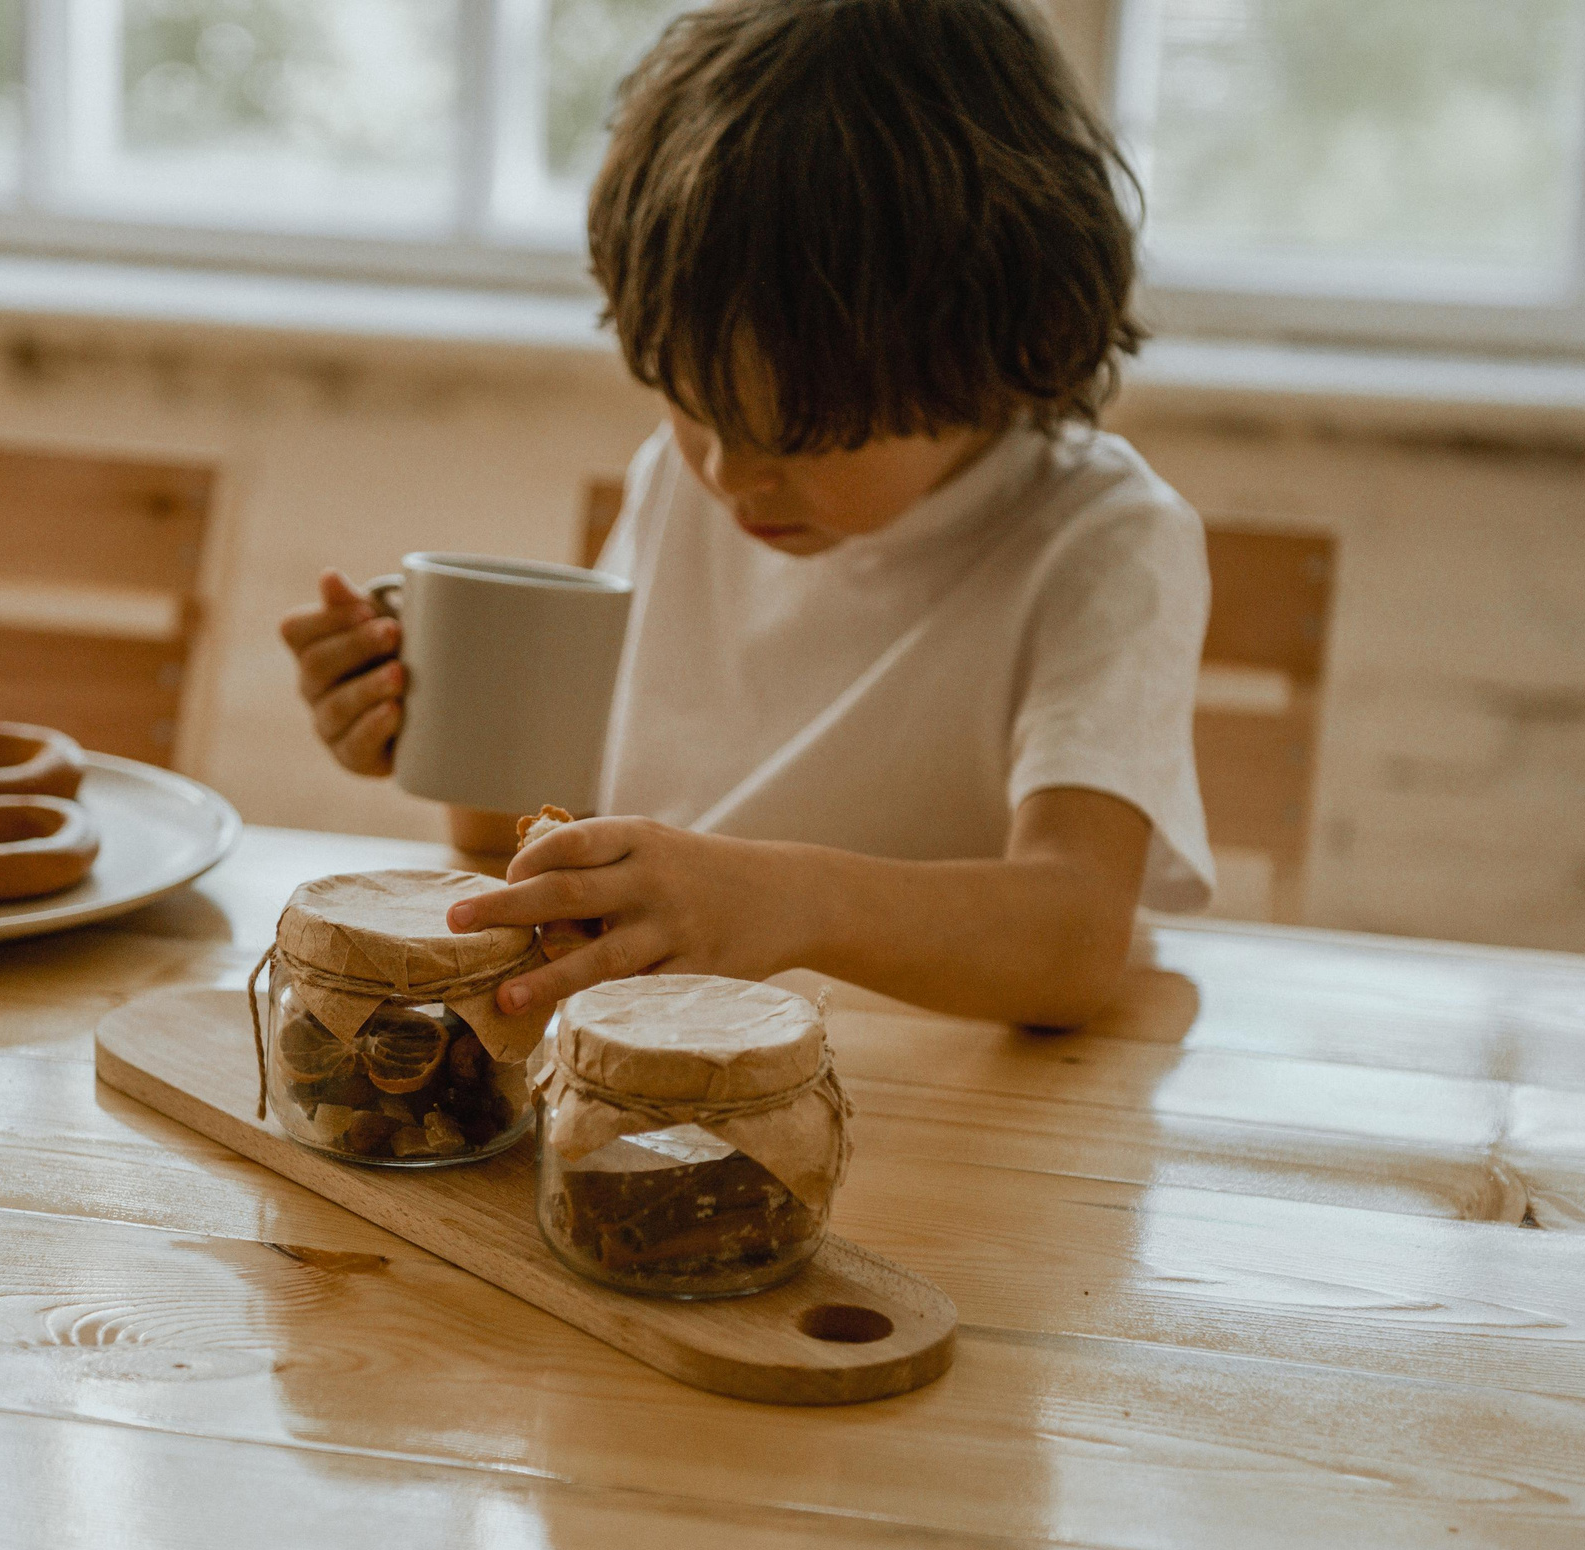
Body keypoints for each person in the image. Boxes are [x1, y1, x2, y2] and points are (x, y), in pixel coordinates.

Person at [280, 0, 1211, 1028]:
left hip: (924, 1106)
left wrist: (785, 899)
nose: (729, 473)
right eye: (690, 404)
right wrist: (436, 722)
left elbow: (1072, 937)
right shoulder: (685, 480)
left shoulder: (1103, 540)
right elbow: (549, 839)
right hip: (651, 1075)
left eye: (800, 435)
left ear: (992, 349)